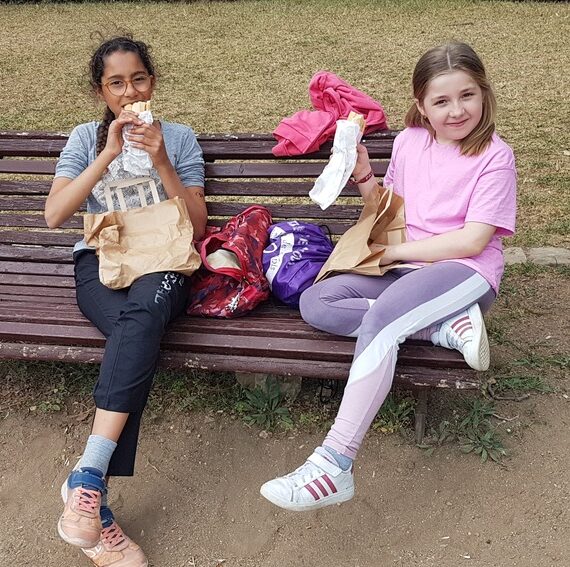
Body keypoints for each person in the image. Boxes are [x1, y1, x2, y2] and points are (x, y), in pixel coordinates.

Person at [260, 42, 517, 512]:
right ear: (422, 104)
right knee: (316, 302)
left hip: (463, 271)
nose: (457, 111)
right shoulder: (409, 142)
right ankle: (442, 329)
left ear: (483, 93)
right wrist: (364, 178)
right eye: (441, 101)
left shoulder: (495, 156)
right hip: (404, 269)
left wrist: (394, 252)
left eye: (467, 95)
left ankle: (335, 463)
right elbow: (390, 212)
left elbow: (473, 240)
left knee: (381, 321)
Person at [45, 35, 207, 565]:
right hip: (102, 261)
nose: (129, 91)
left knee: (137, 325)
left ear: (151, 83)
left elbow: (197, 225)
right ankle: (94, 498)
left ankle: (88, 478)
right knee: (136, 334)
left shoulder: (178, 138)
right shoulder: (85, 138)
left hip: (164, 261)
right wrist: (109, 152)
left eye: (138, 79)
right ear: (102, 92)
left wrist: (161, 160)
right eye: (116, 83)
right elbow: (55, 215)